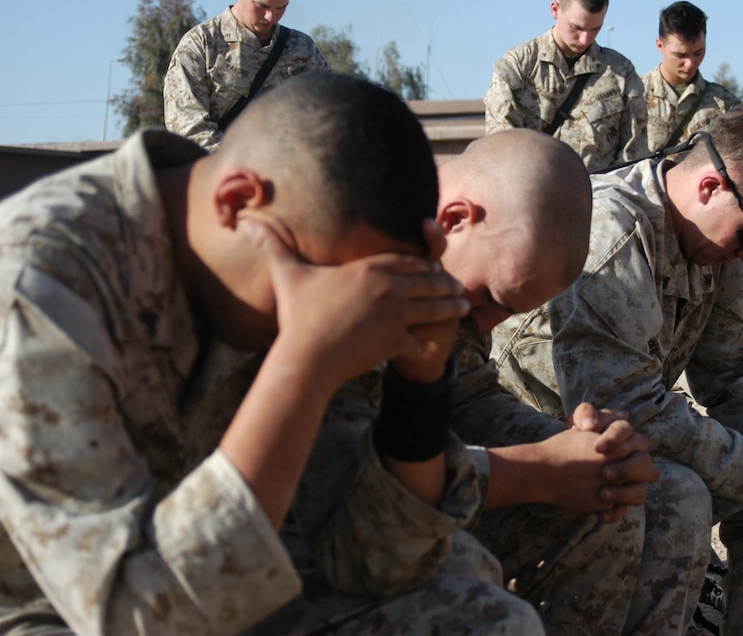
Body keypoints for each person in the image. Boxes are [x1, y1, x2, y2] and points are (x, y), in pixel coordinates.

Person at [0, 72, 553, 635]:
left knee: (481, 613)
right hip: (62, 614)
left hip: (200, 587)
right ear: (238, 202)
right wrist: (305, 361)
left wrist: (419, 382)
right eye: (310, 289)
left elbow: (373, 561)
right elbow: (134, 619)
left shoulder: (300, 259)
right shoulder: (39, 284)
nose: (318, 311)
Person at [492, 101, 743, 635]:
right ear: (710, 187)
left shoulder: (716, 238)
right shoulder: (615, 233)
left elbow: (737, 369)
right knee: (677, 499)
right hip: (528, 459)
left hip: (615, 449)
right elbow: (629, 414)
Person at [281, 129, 679, 635]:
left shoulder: (447, 271)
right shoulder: (344, 254)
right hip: (273, 532)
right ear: (455, 220)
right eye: (490, 299)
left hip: (383, 500)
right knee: (474, 588)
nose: (487, 324)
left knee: (621, 505)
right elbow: (344, 475)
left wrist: (574, 450)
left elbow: (466, 396)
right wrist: (538, 470)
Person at [164, 0, 329, 151]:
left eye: (281, 8)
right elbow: (189, 132)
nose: (271, 17)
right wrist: (247, 171)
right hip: (222, 177)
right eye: (262, 6)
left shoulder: (302, 49)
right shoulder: (201, 46)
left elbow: (330, 114)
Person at [483, 0, 649, 172]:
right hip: (534, 192)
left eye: (595, 29)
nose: (585, 39)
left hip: (599, 197)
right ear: (555, 9)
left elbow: (632, 159)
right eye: (577, 28)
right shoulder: (518, 67)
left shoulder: (621, 73)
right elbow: (501, 148)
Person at [642, 1, 739, 153]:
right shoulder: (635, 95)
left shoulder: (724, 104)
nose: (690, 63)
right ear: (660, 46)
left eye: (698, 53)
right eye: (681, 55)